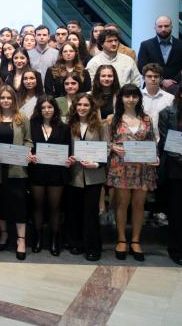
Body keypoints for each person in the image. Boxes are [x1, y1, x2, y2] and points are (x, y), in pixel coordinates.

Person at [107, 84, 158, 262]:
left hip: (143, 167)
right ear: (121, 98)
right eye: (127, 96)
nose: (131, 99)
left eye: (134, 96)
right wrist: (113, 147)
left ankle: (135, 240)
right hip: (121, 167)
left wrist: (155, 157)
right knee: (122, 203)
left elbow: (152, 141)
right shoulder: (112, 119)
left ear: (139, 98)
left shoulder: (147, 119)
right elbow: (105, 143)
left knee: (139, 204)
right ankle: (121, 239)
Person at [0, 85, 32, 260]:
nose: (6, 101)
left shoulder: (22, 117)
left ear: (14, 100)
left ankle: (21, 240)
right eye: (2, 98)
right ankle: (4, 234)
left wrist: (26, 151)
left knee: (19, 203)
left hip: (17, 168)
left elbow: (28, 140)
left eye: (9, 98)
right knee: (0, 203)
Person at [65, 93, 107, 262]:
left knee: (91, 212)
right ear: (74, 107)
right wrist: (67, 158)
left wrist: (96, 164)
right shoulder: (68, 125)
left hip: (94, 175)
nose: (82, 108)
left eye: (86, 105)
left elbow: (107, 148)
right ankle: (75, 243)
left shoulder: (101, 126)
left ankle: (93, 247)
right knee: (74, 211)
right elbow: (64, 147)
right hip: (74, 174)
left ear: (92, 108)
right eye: (79, 105)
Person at [27, 96, 71, 256]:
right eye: (43, 107)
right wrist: (29, 154)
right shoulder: (32, 126)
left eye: (50, 107)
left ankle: (54, 240)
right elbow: (27, 145)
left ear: (55, 109)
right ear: (39, 110)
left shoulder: (64, 127)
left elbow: (69, 149)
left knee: (55, 207)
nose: (46, 110)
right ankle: (38, 238)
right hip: (37, 171)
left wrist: (69, 159)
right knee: (37, 205)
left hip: (57, 173)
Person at [158, 80, 182, 265]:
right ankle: (177, 248)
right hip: (176, 170)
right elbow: (166, 143)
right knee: (177, 212)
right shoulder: (167, 113)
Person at [137, 16, 182, 90]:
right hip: (152, 86)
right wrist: (162, 81)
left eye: (166, 26)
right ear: (155, 28)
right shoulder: (145, 45)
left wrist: (173, 82)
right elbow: (142, 67)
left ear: (171, 27)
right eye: (160, 26)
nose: (163, 29)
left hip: (177, 87)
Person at [141, 63, 175, 130]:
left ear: (161, 79)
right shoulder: (137, 96)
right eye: (149, 76)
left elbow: (172, 122)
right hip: (141, 135)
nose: (153, 79)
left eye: (156, 76)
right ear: (143, 78)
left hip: (163, 134)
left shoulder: (170, 98)